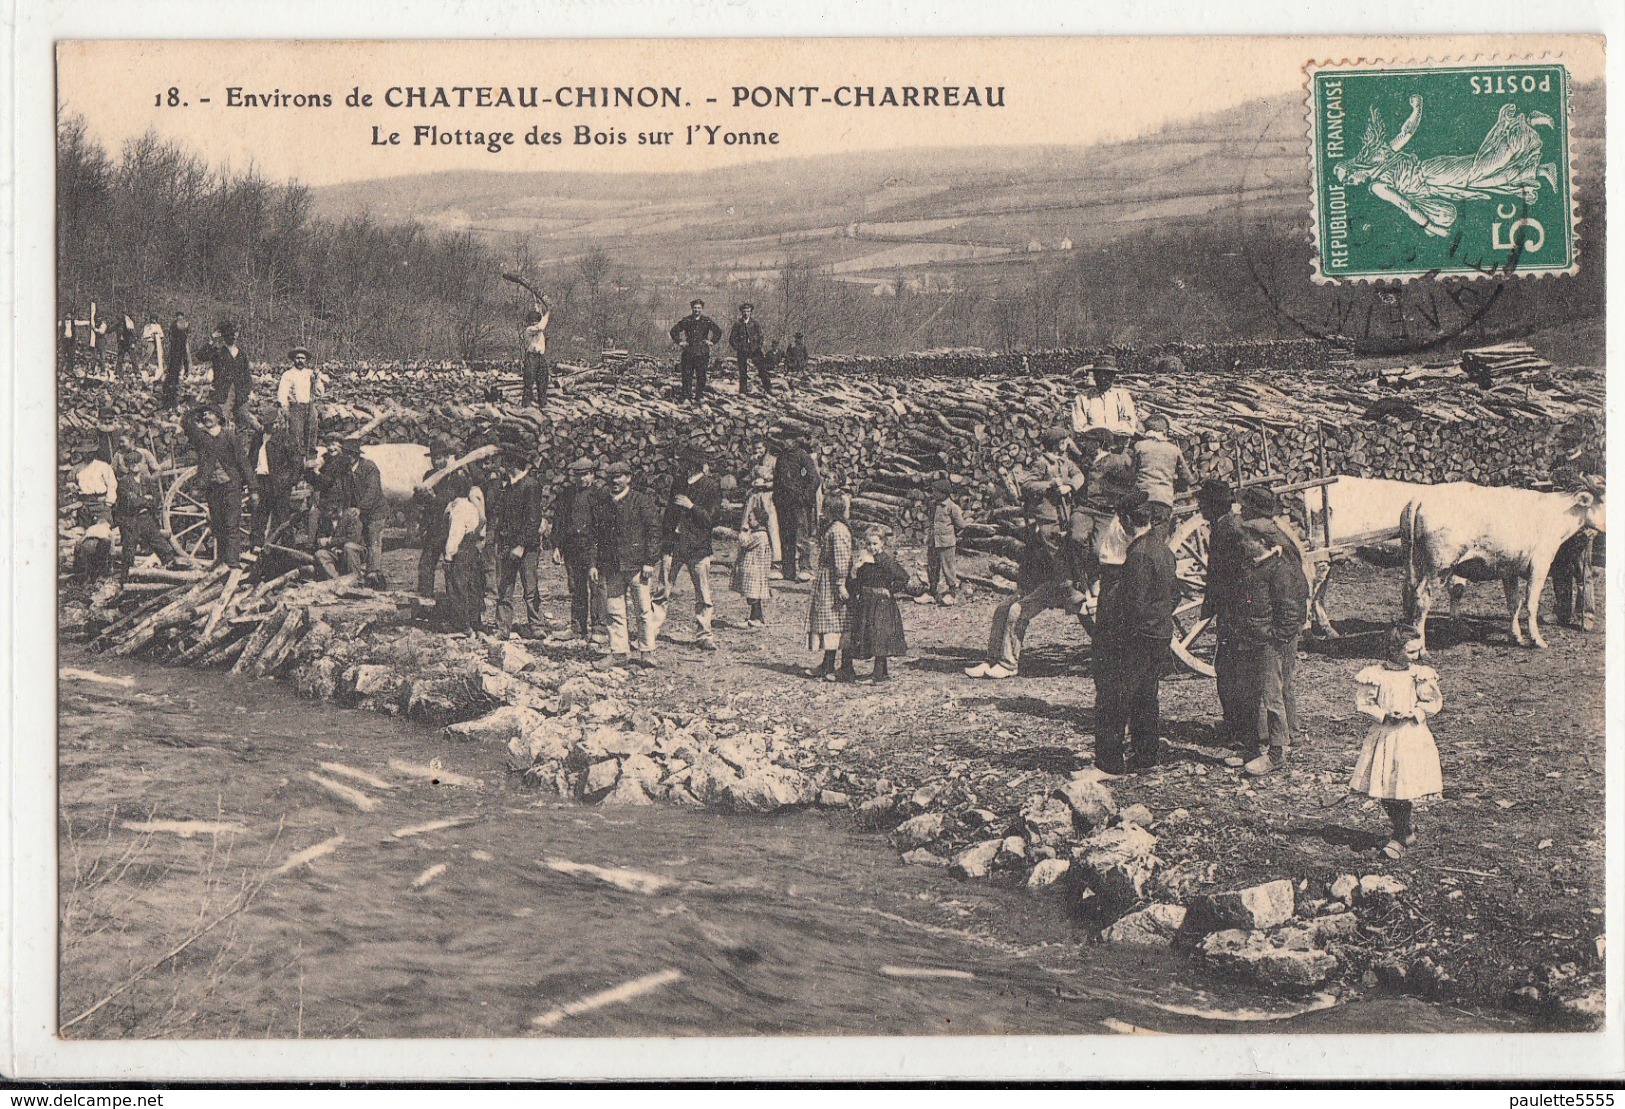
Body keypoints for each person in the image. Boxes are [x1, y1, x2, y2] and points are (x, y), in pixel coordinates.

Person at [1093, 491, 1175, 774]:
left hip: (1137, 638)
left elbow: (1133, 606)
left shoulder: (1138, 555)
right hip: (1159, 634)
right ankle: (1146, 757)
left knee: (1114, 699)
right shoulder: (1163, 549)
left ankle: (1109, 764)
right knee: (1146, 697)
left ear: (1127, 519)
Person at [1350, 626, 1443, 859]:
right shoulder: (1376, 675)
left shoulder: (1419, 674)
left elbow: (1432, 701)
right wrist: (1384, 715)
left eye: (1418, 651)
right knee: (1383, 786)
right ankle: (1404, 828)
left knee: (1402, 787)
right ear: (1393, 650)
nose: (1417, 656)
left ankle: (1400, 836)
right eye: (1411, 652)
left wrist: (1415, 712)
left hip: (1410, 736)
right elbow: (1364, 703)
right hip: (1385, 736)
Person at [1231, 518, 1311, 777]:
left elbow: (1292, 613)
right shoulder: (1252, 567)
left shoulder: (1281, 571)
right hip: (1253, 641)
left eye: (1247, 539)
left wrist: (1275, 639)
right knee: (1251, 694)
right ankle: (1253, 750)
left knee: (1272, 697)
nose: (1243, 544)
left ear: (1263, 542)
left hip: (1269, 645)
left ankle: (1276, 755)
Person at [965, 499, 1073, 680]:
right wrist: (1024, 587)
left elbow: (1062, 568)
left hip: (1057, 585)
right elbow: (1029, 564)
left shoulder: (1055, 533)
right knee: (1002, 610)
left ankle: (1008, 664)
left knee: (1017, 611)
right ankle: (992, 660)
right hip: (1037, 584)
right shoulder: (1034, 532)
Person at [591, 462, 662, 668]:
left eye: (619, 477)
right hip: (612, 566)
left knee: (643, 610)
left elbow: (654, 532)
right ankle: (619, 652)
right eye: (611, 477)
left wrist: (650, 561)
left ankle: (647, 651)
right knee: (614, 610)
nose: (615, 481)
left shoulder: (641, 501)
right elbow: (596, 535)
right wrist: (594, 564)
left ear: (628, 478)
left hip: (638, 566)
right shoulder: (603, 503)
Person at [1196, 479, 1249, 748]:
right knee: (1229, 668)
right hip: (1233, 607)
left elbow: (1222, 572)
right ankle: (1235, 724)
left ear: (1212, 505)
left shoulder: (1227, 529)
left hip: (1235, 609)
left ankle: (1237, 729)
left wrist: (1214, 603)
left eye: (1202, 502)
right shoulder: (1227, 524)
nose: (1199, 506)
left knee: (1229, 669)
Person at [655, 447, 722, 651]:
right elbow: (669, 514)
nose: (680, 466)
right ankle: (650, 630)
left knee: (703, 593)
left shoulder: (711, 486)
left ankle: (704, 634)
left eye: (683, 463)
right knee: (662, 590)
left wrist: (691, 506)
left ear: (694, 465)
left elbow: (711, 520)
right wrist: (665, 539)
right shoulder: (679, 482)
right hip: (674, 545)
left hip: (697, 547)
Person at [182, 404, 254, 568]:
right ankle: (221, 560)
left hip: (231, 486)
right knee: (218, 525)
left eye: (210, 414)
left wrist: (253, 487)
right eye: (205, 415)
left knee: (231, 525)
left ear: (219, 418)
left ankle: (233, 563)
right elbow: (186, 422)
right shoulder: (202, 437)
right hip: (212, 487)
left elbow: (243, 462)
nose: (207, 417)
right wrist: (199, 408)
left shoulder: (230, 436)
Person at [310, 433, 387, 586]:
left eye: (351, 454)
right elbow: (342, 489)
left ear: (356, 455)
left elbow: (372, 491)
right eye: (346, 454)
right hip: (357, 509)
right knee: (355, 539)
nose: (348, 457)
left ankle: (373, 574)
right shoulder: (344, 469)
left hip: (375, 510)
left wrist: (360, 508)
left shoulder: (369, 467)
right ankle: (353, 574)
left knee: (373, 539)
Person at [1019, 426, 1089, 591]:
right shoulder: (1041, 463)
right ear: (1057, 444)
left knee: (1068, 548)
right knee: (1055, 552)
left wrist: (1069, 487)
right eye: (1064, 441)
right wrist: (1049, 485)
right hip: (1048, 516)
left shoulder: (1065, 461)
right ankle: (1066, 587)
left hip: (1065, 514)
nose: (1066, 444)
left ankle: (1071, 584)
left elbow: (1079, 475)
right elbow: (1027, 485)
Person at [845, 525, 910, 685]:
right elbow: (858, 582)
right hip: (866, 602)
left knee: (879, 636)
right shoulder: (864, 560)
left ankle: (878, 674)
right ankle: (882, 672)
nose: (871, 547)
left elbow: (903, 576)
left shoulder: (885, 560)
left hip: (881, 604)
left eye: (875, 544)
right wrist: (854, 573)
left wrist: (889, 590)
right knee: (870, 634)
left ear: (882, 543)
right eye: (868, 544)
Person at [492, 452, 545, 639]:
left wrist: (521, 545)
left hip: (526, 546)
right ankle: (503, 627)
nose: (500, 466)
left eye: (504, 462)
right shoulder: (508, 486)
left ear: (513, 463)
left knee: (530, 587)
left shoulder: (530, 485)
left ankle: (537, 625)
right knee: (505, 586)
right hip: (507, 543)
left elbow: (533, 519)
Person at [550, 457, 603, 642]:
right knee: (577, 588)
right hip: (572, 548)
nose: (581, 479)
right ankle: (577, 627)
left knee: (596, 587)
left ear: (592, 474)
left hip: (592, 547)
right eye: (578, 475)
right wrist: (557, 546)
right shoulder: (567, 494)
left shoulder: (599, 495)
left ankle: (599, 628)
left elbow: (603, 527)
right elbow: (559, 521)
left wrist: (598, 553)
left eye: (585, 475)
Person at [806, 492, 855, 680]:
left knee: (839, 623)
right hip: (828, 581)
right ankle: (828, 664)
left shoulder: (838, 530)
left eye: (825, 508)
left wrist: (841, 583)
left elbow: (842, 560)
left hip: (835, 583)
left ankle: (846, 667)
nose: (821, 512)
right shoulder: (831, 528)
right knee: (829, 623)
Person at [112, 445, 176, 576]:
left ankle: (171, 569)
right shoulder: (123, 482)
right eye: (131, 464)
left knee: (160, 543)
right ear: (127, 466)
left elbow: (156, 498)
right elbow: (131, 502)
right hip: (130, 520)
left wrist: (146, 501)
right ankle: (127, 578)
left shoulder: (146, 480)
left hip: (145, 517)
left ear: (141, 464)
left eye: (137, 463)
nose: (134, 466)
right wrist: (145, 500)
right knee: (129, 550)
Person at [731, 466, 781, 627]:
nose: (749, 519)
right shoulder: (760, 533)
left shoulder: (759, 535)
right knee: (752, 596)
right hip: (754, 569)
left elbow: (744, 542)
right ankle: (755, 616)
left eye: (752, 517)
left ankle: (756, 617)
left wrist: (737, 534)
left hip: (755, 569)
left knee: (753, 595)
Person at [440, 473, 486, 634]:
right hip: (472, 549)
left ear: (454, 490)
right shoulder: (471, 506)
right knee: (473, 585)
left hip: (461, 549)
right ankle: (475, 621)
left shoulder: (458, 508)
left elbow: (455, 534)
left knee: (457, 586)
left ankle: (461, 624)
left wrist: (448, 555)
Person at [772, 432, 821, 582]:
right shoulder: (781, 458)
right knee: (786, 536)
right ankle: (788, 570)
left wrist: (804, 497)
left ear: (794, 441)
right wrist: (777, 498)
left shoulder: (802, 457)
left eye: (787, 439)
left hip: (798, 504)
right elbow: (777, 480)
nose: (785, 442)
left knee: (801, 536)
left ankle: (805, 568)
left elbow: (814, 479)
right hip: (783, 504)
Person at [412, 442, 457, 599]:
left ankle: (454, 599)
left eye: (438, 458)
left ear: (446, 457)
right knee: (426, 564)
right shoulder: (428, 475)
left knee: (450, 564)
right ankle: (425, 598)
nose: (435, 462)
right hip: (432, 527)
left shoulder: (454, 475)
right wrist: (419, 493)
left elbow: (448, 499)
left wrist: (433, 498)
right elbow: (418, 501)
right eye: (433, 459)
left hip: (449, 527)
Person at [1132, 412, 1193, 525]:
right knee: (1158, 536)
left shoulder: (1139, 446)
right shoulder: (1174, 450)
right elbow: (1187, 478)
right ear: (1165, 431)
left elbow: (1132, 473)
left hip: (1141, 498)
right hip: (1163, 500)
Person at [196, 320, 255, 430]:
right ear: (224, 336)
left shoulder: (241, 354)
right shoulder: (218, 352)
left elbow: (247, 375)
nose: (233, 337)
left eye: (235, 334)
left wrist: (249, 392)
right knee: (220, 421)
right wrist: (212, 339)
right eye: (229, 334)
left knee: (243, 422)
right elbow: (200, 356)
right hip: (222, 393)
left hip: (240, 394)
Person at [917, 479, 965, 606]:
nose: (933, 494)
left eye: (935, 492)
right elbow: (931, 522)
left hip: (946, 543)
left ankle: (953, 592)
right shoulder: (933, 505)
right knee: (932, 566)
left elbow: (960, 525)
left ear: (944, 493)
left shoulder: (952, 507)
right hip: (933, 542)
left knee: (948, 567)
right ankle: (932, 591)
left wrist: (950, 536)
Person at [1070, 354, 1141, 438]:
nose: (1104, 378)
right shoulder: (1082, 398)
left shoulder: (1122, 397)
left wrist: (1100, 431)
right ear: (1095, 376)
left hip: (1118, 444)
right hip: (1092, 445)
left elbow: (1128, 427)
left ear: (1113, 377)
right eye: (1100, 374)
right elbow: (1079, 428)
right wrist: (1103, 433)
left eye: (1108, 375)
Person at [669, 299, 722, 405]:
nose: (697, 310)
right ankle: (686, 397)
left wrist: (711, 341)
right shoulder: (687, 320)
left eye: (699, 308)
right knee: (687, 375)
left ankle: (699, 396)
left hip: (702, 352)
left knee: (701, 375)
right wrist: (680, 342)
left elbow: (718, 331)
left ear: (702, 309)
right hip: (689, 351)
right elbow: (673, 331)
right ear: (692, 308)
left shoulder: (706, 321)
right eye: (695, 308)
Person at [276, 347, 323, 456]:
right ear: (293, 359)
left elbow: (319, 393)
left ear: (306, 360)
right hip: (296, 409)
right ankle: (297, 465)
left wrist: (316, 380)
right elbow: (282, 393)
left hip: (310, 407)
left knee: (311, 436)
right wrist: (284, 408)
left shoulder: (311, 373)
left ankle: (310, 462)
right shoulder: (288, 374)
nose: (300, 360)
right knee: (296, 438)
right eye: (297, 358)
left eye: (303, 358)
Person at [729, 302, 773, 396]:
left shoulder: (755, 324)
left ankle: (768, 389)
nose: (746, 313)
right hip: (742, 351)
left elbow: (761, 337)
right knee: (743, 371)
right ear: (741, 312)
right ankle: (743, 391)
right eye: (744, 311)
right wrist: (739, 348)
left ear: (751, 312)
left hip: (755, 350)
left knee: (762, 369)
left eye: (748, 311)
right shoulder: (738, 324)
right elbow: (732, 339)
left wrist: (758, 346)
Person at [520, 295, 553, 406]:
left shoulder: (539, 330)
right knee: (528, 382)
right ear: (530, 322)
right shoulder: (530, 330)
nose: (534, 323)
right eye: (532, 321)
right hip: (531, 358)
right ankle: (525, 405)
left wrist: (538, 305)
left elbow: (540, 317)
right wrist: (548, 312)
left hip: (540, 357)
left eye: (536, 321)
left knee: (543, 381)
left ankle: (543, 404)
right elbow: (541, 325)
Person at [162, 311, 192, 410]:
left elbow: (171, 336)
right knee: (174, 375)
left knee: (173, 374)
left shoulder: (175, 325)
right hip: (178, 350)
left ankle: (169, 396)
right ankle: (171, 399)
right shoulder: (181, 326)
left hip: (176, 350)